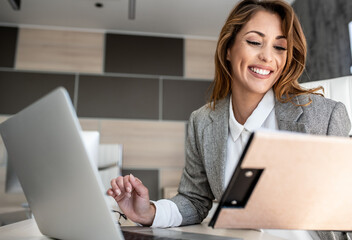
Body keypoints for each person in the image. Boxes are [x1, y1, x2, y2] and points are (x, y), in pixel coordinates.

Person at [107, 0, 351, 239]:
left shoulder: (325, 116)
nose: (267, 56)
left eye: (279, 47)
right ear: (228, 50)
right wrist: (148, 212)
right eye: (255, 42)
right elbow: (194, 200)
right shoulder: (202, 122)